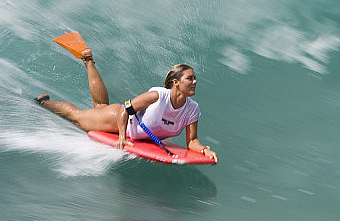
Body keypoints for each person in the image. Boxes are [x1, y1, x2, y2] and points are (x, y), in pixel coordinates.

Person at [35, 48, 218, 163]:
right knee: (77, 118)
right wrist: (122, 137)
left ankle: (88, 60)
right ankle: (44, 101)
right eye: (190, 78)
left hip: (133, 129)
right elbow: (125, 108)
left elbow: (192, 142)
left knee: (100, 106)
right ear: (176, 82)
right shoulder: (158, 95)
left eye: (195, 78)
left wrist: (204, 150)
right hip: (118, 120)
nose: (195, 81)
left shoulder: (192, 109)